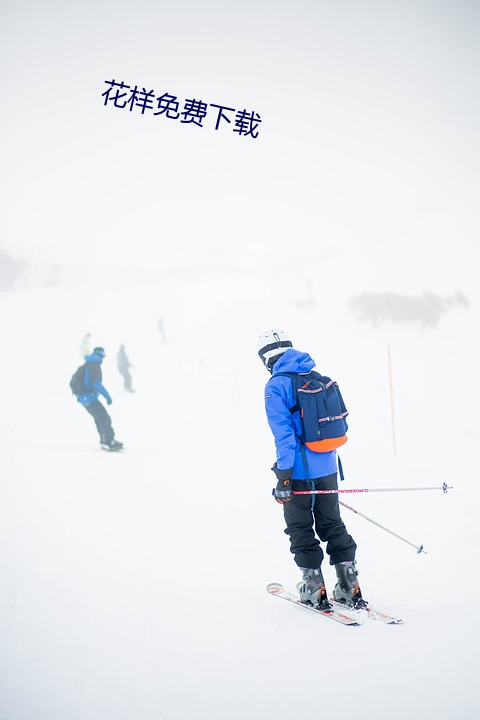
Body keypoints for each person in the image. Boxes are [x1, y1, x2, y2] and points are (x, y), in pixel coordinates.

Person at [258, 328, 366, 610]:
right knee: (331, 523)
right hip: (328, 466)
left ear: (266, 358)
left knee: (300, 527)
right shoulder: (315, 377)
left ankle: (313, 588)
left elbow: (284, 437)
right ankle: (349, 585)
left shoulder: (275, 386)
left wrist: (284, 478)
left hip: (298, 472)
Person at [76, 346, 123, 451]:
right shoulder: (94, 365)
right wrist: (107, 396)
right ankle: (108, 441)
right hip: (89, 398)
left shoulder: (89, 363)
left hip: (85, 398)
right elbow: (96, 383)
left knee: (100, 418)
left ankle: (104, 440)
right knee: (104, 418)